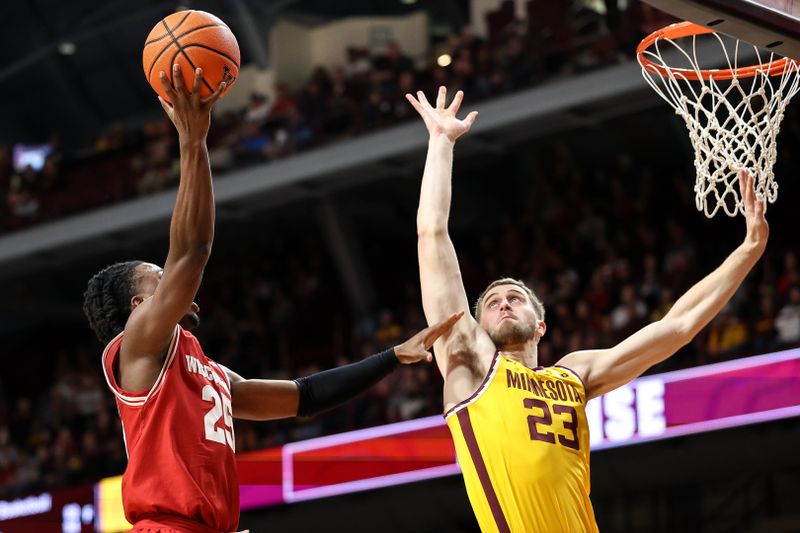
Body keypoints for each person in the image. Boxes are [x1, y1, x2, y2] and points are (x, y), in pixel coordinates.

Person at [82, 66, 462, 533]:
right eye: (158, 279)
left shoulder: (208, 375)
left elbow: (304, 398)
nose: (175, 285)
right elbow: (191, 254)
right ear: (138, 308)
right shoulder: (135, 347)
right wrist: (194, 142)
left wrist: (392, 356)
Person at [406, 86, 769, 533]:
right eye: (492, 302)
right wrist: (441, 145)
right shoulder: (470, 363)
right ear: (476, 324)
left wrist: (748, 252)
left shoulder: (573, 375)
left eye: (515, 297)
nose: (502, 302)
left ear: (540, 325)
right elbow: (432, 235)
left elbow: (677, 326)